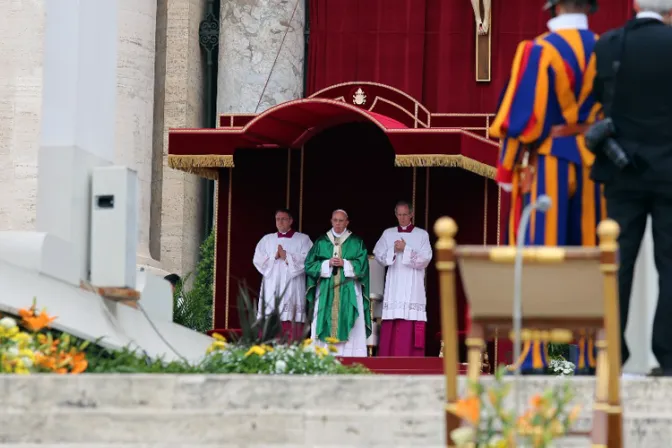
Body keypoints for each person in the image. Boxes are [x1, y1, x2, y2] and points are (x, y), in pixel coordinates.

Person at [489, 0, 604, 374]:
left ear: (552, 7)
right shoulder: (604, 48)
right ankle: (589, 353)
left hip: (548, 163)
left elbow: (521, 119)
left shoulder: (538, 50)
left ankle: (535, 354)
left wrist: (506, 168)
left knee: (539, 253)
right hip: (593, 164)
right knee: (590, 255)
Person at [591, 0, 672, 375]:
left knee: (617, 264)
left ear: (636, 4)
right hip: (670, 171)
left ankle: (610, 354)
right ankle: (668, 357)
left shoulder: (608, 44)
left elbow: (598, 99)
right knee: (670, 266)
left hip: (623, 170)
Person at [305, 209, 371, 357]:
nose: (338, 223)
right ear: (331, 221)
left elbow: (363, 267)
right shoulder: (321, 242)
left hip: (349, 289)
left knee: (353, 325)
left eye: (341, 220)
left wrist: (345, 263)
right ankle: (322, 356)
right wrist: (326, 263)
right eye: (335, 220)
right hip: (325, 290)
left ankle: (352, 357)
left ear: (347, 222)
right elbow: (309, 265)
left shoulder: (356, 242)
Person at [373, 200, 432, 356]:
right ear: (396, 215)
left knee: (409, 323)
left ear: (411, 214)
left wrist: (406, 249)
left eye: (405, 214)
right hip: (394, 284)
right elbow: (378, 255)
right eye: (399, 215)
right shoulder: (388, 233)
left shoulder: (421, 234)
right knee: (392, 320)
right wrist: (393, 249)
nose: (403, 218)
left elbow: (425, 259)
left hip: (413, 288)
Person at [253, 208, 313, 341]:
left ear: (291, 220)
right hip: (271, 285)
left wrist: (287, 256)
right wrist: (274, 256)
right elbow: (257, 259)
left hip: (293, 285)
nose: (280, 222)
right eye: (277, 219)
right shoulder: (267, 240)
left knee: (291, 318)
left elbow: (309, 260)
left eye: (284, 219)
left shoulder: (303, 239)